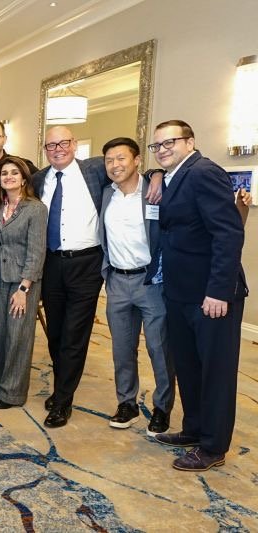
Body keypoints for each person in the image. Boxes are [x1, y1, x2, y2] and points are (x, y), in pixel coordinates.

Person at [32, 126, 162, 429]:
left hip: (87, 265)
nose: (58, 149)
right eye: (51, 145)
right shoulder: (39, 179)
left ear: (75, 144)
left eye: (64, 142)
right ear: (45, 150)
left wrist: (155, 174)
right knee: (55, 334)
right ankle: (61, 385)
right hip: (51, 264)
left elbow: (129, 170)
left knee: (75, 335)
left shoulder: (94, 169)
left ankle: (63, 401)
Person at [149, 120, 247, 471]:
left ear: (190, 142)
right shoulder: (175, 175)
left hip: (211, 295)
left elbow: (228, 234)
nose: (161, 149)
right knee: (189, 367)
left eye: (169, 143)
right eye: (156, 145)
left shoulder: (205, 172)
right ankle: (193, 429)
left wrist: (219, 291)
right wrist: (156, 173)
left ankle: (213, 446)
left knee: (215, 372)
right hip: (180, 292)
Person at [99, 137, 174, 435]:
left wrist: (157, 174)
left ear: (137, 160)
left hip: (151, 281)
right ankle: (126, 403)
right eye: (109, 160)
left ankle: (162, 407)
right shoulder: (106, 193)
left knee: (159, 348)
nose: (115, 165)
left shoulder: (156, 190)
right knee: (122, 349)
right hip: (117, 280)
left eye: (121, 158)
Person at [0, 156, 47, 408]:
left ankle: (13, 393)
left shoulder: (35, 208)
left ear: (23, 179)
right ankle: (2, 383)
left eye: (14, 173)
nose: (8, 177)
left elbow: (36, 251)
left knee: (18, 336)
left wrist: (24, 288)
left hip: (24, 282)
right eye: (4, 174)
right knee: (1, 333)